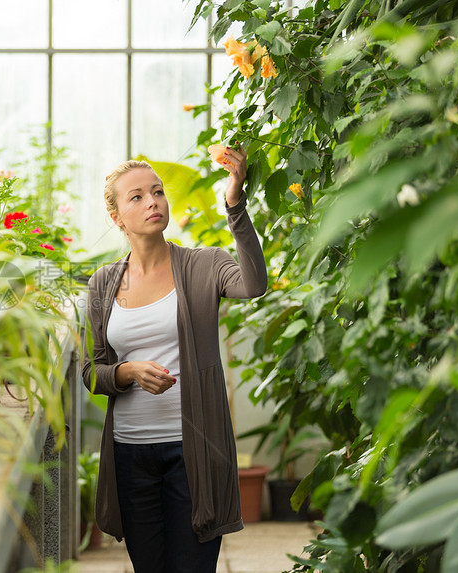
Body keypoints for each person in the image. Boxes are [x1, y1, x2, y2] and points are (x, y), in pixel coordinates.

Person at [81, 146, 267, 573]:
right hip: (130, 456)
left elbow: (254, 284)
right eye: (137, 197)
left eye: (158, 192)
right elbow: (93, 372)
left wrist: (235, 204)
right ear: (117, 217)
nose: (153, 202)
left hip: (194, 454)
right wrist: (127, 372)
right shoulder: (104, 283)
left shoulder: (205, 265)